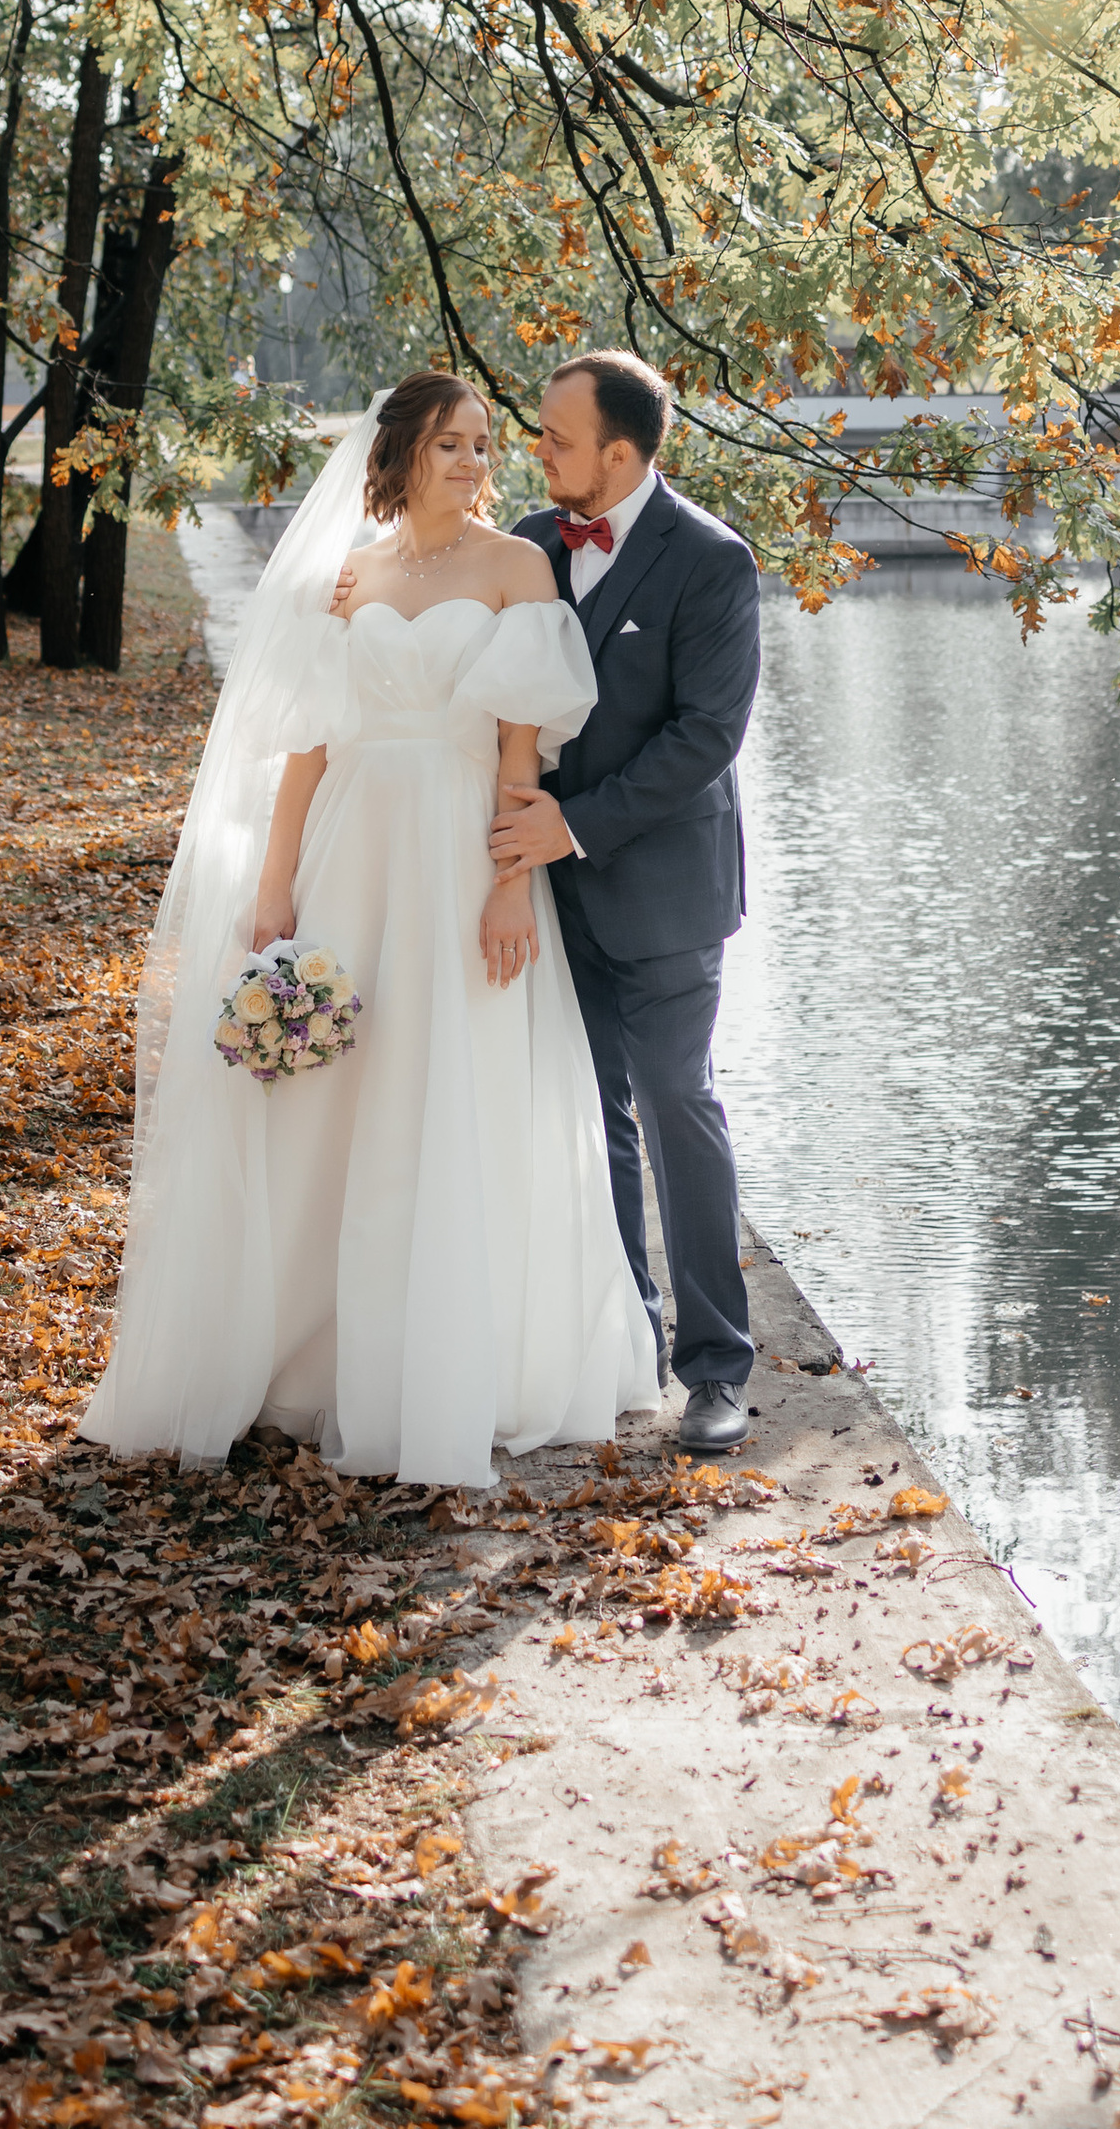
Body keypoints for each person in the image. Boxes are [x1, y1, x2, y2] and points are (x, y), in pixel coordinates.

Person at [80, 374, 658, 1489]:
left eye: (485, 445)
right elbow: (308, 746)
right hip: (351, 849)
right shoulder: (351, 574)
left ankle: (447, 1362)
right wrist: (275, 885)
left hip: (454, 856)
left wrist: (505, 888)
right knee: (330, 1089)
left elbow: (518, 757)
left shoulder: (516, 568)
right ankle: (312, 1354)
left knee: (449, 1083)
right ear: (400, 454)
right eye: (451, 445)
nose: (474, 463)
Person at [487, 351, 763, 1456]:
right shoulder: (527, 541)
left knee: (675, 1106)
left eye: (556, 437)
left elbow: (706, 734)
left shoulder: (709, 561)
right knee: (589, 1116)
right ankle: (624, 1342)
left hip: (663, 891)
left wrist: (578, 821)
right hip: (549, 895)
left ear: (621, 450)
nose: (537, 453)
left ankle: (716, 1370)